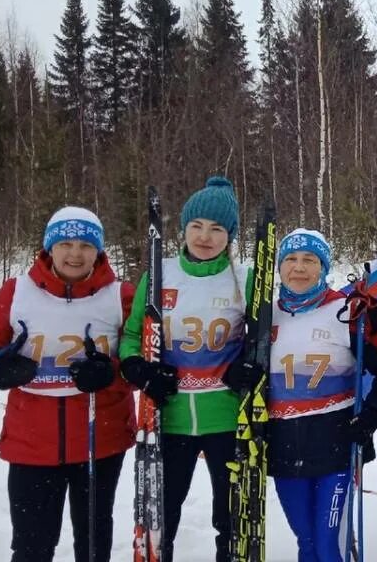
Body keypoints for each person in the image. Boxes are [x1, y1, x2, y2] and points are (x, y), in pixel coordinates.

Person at [0, 206, 135, 562]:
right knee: (31, 545)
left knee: (93, 541)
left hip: (98, 440)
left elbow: (143, 361)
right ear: (49, 248)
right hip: (32, 442)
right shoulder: (17, 292)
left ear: (99, 251)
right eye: (66, 243)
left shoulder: (120, 296)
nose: (75, 254)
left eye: (86, 245)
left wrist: (110, 372)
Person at [220, 228, 377, 562]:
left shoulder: (346, 313)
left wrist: (372, 416)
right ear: (279, 267)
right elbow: (239, 370)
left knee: (330, 546)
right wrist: (236, 375)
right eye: (290, 259)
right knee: (307, 543)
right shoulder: (264, 316)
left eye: (309, 260)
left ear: (323, 267)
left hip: (337, 445)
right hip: (284, 447)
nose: (298, 267)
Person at [117, 176, 246, 562]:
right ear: (184, 228)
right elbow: (131, 335)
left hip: (225, 418)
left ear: (230, 235)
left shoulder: (246, 279)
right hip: (167, 418)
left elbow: (265, 340)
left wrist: (247, 366)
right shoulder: (160, 275)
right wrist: (139, 370)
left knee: (230, 517)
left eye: (217, 228)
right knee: (161, 516)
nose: (205, 236)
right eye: (197, 226)